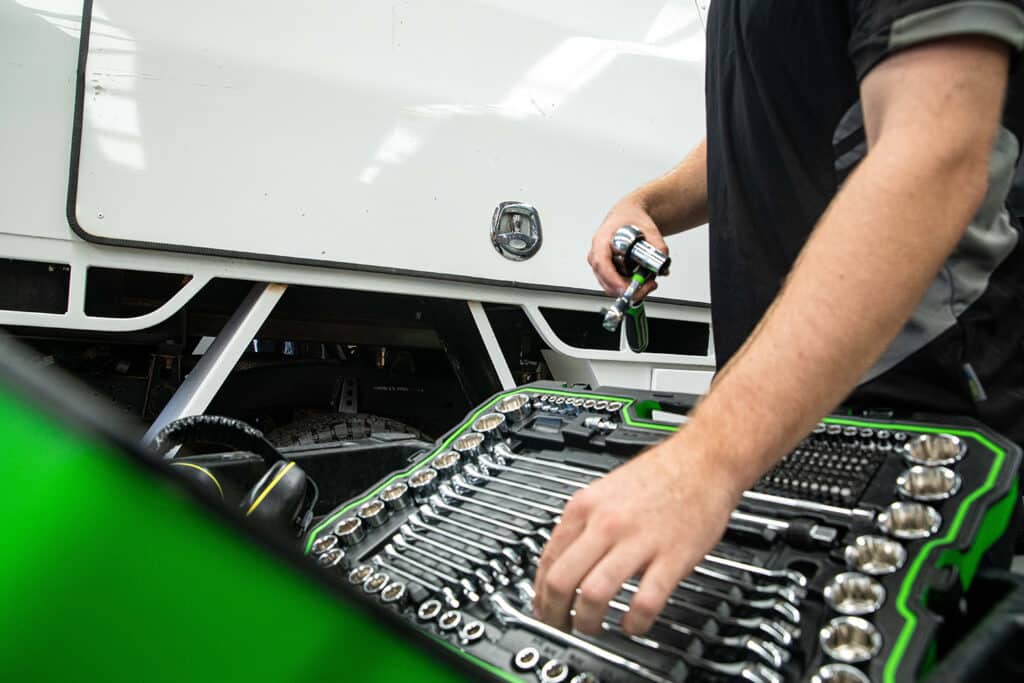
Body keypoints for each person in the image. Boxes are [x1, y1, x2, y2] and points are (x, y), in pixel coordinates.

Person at [533, 1, 1024, 637]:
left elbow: (934, 158)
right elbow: (775, 120)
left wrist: (708, 457)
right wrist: (649, 201)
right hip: (784, 421)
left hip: (928, 421)